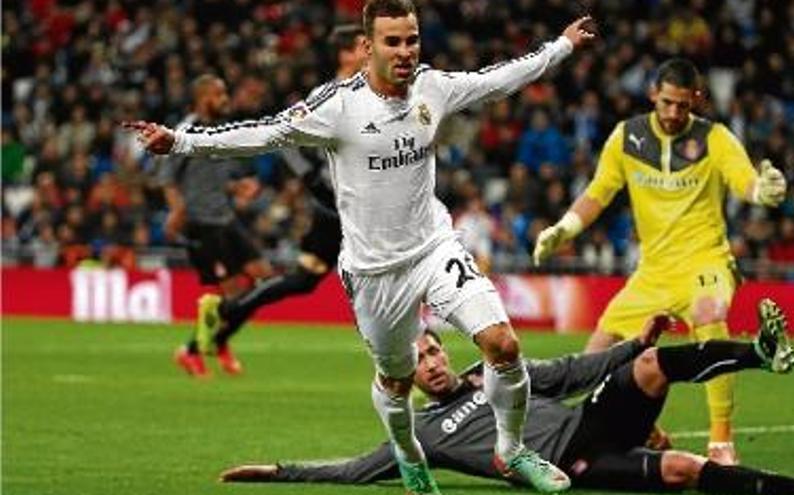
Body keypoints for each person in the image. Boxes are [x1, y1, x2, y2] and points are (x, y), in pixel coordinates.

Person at [124, 1, 597, 493]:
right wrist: (181, 142)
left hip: (434, 247)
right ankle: (408, 452)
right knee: (396, 381)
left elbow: (499, 78)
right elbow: (265, 133)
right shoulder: (337, 106)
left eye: (412, 40)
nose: (406, 51)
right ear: (368, 47)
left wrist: (561, 46)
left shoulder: (432, 87)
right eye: (393, 42)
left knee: (503, 344)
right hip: (374, 271)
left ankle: (512, 449)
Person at [218, 300, 794, 495]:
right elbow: (356, 471)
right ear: (406, 377)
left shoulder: (490, 373)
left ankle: (760, 354)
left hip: (591, 421)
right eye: (421, 361)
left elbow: (570, 370)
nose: (434, 362)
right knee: (684, 469)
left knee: (652, 363)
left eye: (436, 350)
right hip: (573, 468)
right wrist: (277, 471)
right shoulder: (419, 436)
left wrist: (632, 340)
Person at [532, 58, 788, 465]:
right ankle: (641, 429)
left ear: (696, 101)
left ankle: (721, 441)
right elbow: (599, 192)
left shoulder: (715, 138)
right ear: (653, 94)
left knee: (710, 315)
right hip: (652, 271)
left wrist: (763, 192)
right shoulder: (626, 137)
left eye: (682, 105)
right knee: (596, 352)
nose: (672, 113)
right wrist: (564, 228)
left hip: (706, 260)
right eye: (666, 102)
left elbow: (744, 180)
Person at [196, 24, 370, 368]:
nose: (371, 52)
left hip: (358, 209)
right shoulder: (330, 95)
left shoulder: (368, 90)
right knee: (389, 282)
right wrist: (312, 180)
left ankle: (223, 317)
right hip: (337, 209)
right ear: (345, 54)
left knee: (304, 282)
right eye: (364, 46)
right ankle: (409, 372)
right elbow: (283, 134)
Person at [158, 74, 275, 377]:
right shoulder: (185, 131)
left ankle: (217, 340)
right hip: (201, 222)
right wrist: (176, 210)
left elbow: (215, 180)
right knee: (234, 290)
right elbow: (167, 177)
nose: (225, 99)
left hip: (225, 217)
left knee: (264, 278)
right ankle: (193, 350)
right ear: (202, 98)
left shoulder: (220, 130)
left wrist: (238, 187)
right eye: (219, 94)